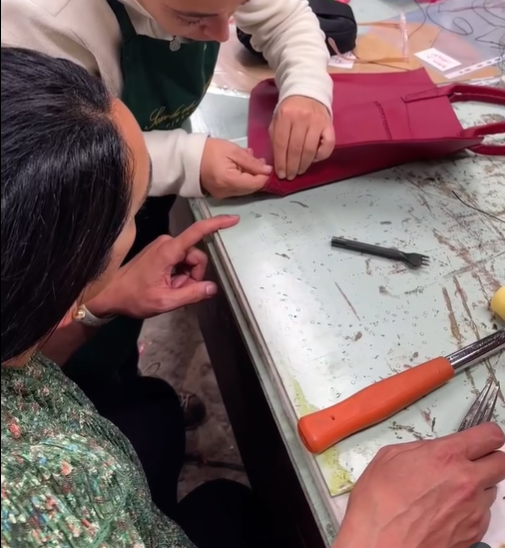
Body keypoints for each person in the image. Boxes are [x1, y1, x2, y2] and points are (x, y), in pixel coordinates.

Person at [2, 47, 504, 548]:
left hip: (125, 484)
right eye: (134, 212)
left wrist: (94, 306)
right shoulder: (40, 508)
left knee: (193, 461)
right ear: (55, 283)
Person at [1, 0, 335, 408]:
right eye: (194, 18)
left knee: (130, 301)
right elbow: (63, 172)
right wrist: (187, 158)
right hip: (71, 214)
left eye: (240, 3)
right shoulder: (41, 6)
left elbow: (288, 19)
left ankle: (125, 396)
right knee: (83, 331)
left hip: (132, 183)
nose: (227, 33)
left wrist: (307, 92)